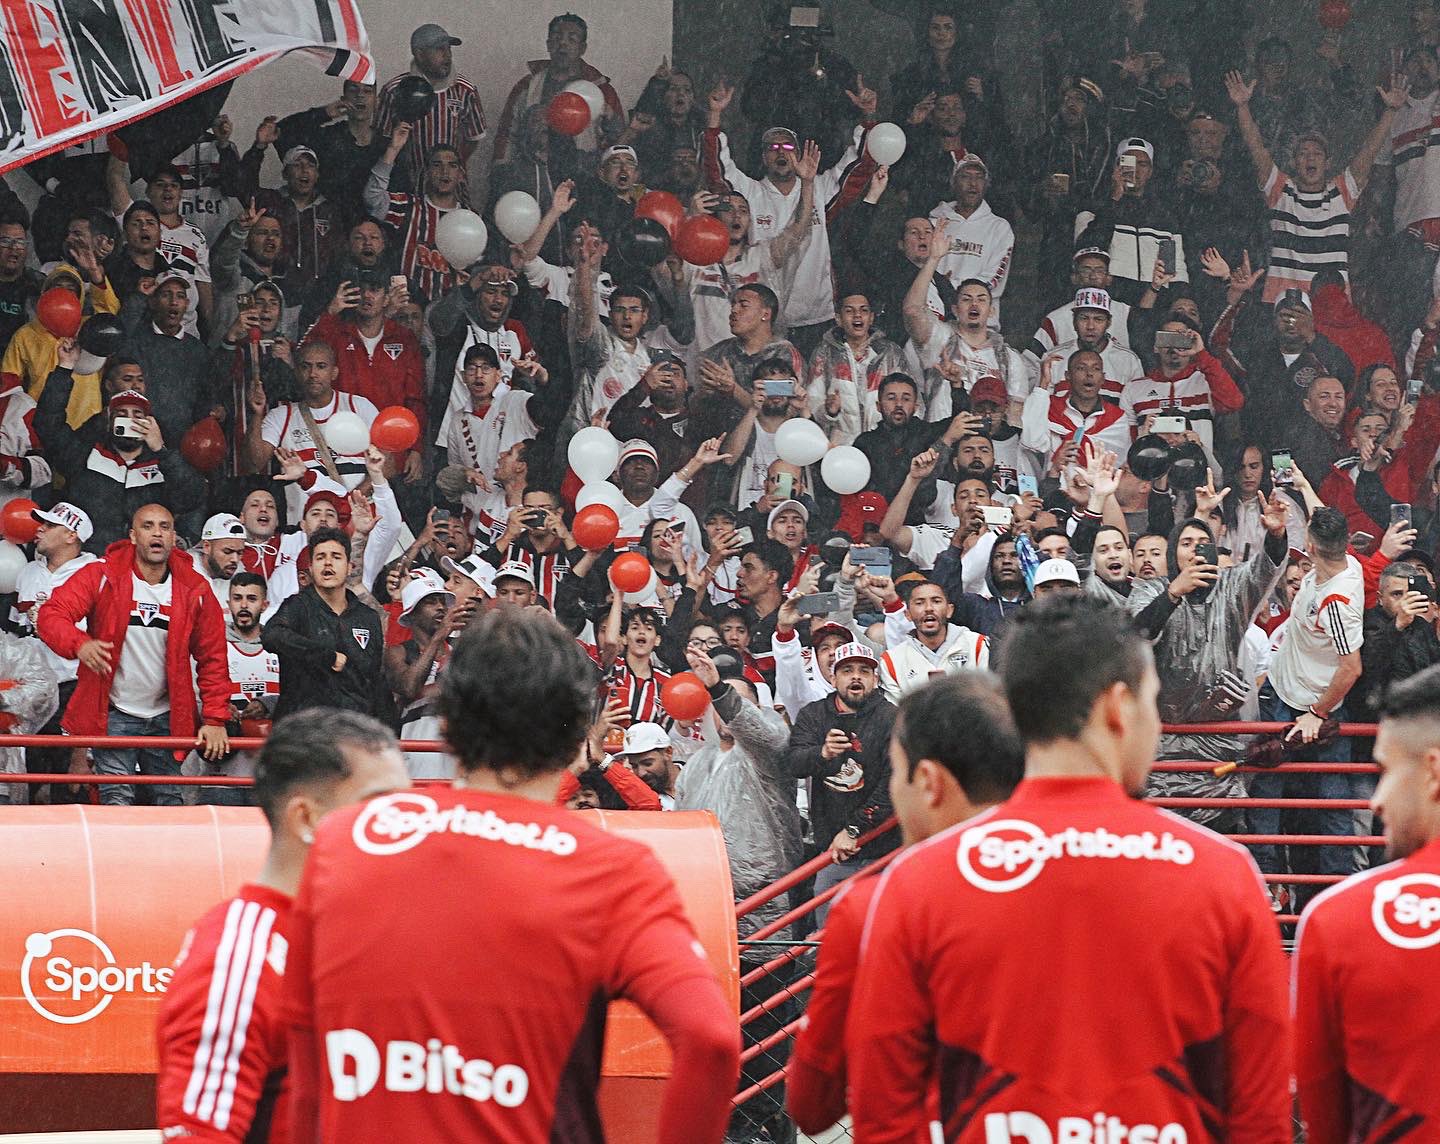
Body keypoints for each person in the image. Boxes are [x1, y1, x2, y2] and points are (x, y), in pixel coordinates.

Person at [282, 608, 739, 1141]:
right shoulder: (613, 869)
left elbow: (296, 1037)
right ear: (576, 741)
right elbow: (711, 1039)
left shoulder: (347, 840)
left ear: (446, 725)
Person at [847, 595, 1291, 1140]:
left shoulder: (919, 881)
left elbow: (883, 1116)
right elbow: (1260, 1114)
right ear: (1117, 708)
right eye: (1153, 702)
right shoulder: (1224, 873)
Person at [787, 672, 1024, 1136]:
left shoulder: (874, 909)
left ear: (929, 782)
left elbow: (812, 1105)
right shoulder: (1083, 883)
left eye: (898, 774)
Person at [156, 711, 408, 1143]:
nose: (407, 824)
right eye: (381, 806)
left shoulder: (378, 939)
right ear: (307, 820)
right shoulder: (238, 956)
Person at [1294, 664, 1440, 1143]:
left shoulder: (1341, 918)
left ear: (1433, 771)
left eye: (1385, 770)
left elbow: (1323, 1114)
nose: (1376, 800)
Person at [672, 642, 798, 1143]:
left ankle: (759, 1125)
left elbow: (762, 731)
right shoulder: (697, 764)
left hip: (762, 910)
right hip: (704, 912)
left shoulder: (768, 751)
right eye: (716, 700)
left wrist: (723, 689)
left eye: (735, 701)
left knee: (761, 1026)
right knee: (710, 1028)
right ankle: (717, 1124)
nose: (724, 708)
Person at [36, 503, 231, 806]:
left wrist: (216, 719)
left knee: (171, 801)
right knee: (116, 800)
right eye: (148, 526)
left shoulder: (195, 587)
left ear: (173, 536)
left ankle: (166, 856)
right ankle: (120, 856)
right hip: (113, 711)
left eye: (164, 527)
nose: (157, 533)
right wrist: (80, 644)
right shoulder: (101, 574)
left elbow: (214, 658)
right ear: (132, 535)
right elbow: (51, 615)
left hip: (168, 716)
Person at [1251, 506, 1367, 881]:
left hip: (1315, 703)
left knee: (1328, 801)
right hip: (1285, 688)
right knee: (1271, 790)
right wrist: (1301, 483)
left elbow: (1352, 668)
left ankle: (1332, 886)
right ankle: (1269, 883)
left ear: (1312, 547)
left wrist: (1317, 713)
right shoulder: (1349, 562)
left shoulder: (1336, 603)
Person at [786, 640, 898, 897]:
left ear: (875, 679)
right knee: (828, 927)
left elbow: (893, 784)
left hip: (884, 848)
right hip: (833, 850)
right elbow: (794, 764)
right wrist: (822, 753)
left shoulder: (891, 717)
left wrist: (853, 830)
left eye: (864, 671)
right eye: (847, 670)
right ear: (833, 678)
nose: (856, 677)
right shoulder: (813, 715)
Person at [14, 502, 100, 804]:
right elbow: (17, 630)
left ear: (71, 535)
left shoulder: (96, 573)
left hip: (73, 686)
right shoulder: (26, 572)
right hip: (30, 689)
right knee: (29, 774)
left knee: (70, 782)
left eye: (49, 525)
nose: (39, 529)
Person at [262, 527, 391, 724]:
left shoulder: (368, 617)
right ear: (311, 568)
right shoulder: (298, 606)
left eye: (336, 557)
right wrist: (325, 656)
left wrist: (390, 735)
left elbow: (376, 680)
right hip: (305, 733)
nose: (328, 562)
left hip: (353, 733)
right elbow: (272, 635)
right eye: (320, 557)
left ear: (349, 567)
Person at [493, 13, 623, 163]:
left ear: (583, 48)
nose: (563, 43)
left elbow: (620, 142)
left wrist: (611, 118)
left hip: (584, 177)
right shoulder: (527, 86)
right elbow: (507, 134)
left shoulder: (602, 90)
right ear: (548, 44)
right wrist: (501, 170)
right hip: (535, 176)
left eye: (572, 39)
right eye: (557, 37)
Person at [374, 23, 487, 189]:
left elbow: (473, 139)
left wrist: (448, 167)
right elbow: (380, 139)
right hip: (406, 185)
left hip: (451, 189)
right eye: (440, 49)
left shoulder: (465, 90)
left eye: (449, 49)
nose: (447, 56)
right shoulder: (394, 90)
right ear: (419, 54)